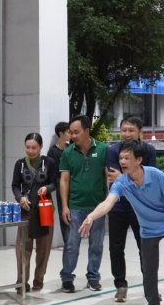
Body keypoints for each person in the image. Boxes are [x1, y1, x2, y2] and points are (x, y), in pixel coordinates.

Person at [80, 140, 164, 305]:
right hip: (148, 230)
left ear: (139, 159)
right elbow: (107, 203)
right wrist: (91, 217)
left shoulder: (156, 175)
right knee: (149, 270)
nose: (122, 162)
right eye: (121, 158)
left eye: (127, 158)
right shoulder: (122, 183)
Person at [105, 117, 157, 302]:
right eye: (123, 130)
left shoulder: (149, 150)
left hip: (140, 206)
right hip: (118, 205)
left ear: (140, 131)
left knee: (145, 246)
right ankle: (120, 285)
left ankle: (150, 287)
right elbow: (113, 177)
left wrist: (125, 177)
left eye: (131, 130)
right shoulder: (113, 150)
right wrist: (131, 177)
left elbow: (148, 178)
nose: (126, 134)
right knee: (115, 247)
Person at [59, 115, 109, 293]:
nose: (72, 136)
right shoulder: (68, 152)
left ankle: (93, 277)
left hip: (97, 207)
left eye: (76, 132)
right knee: (72, 244)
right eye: (71, 132)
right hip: (76, 206)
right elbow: (64, 180)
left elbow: (107, 176)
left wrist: (108, 202)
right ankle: (67, 277)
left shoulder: (103, 149)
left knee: (96, 244)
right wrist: (65, 206)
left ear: (87, 131)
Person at [11, 133, 58, 291]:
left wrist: (47, 188)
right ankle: (22, 282)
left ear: (41, 147)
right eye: (28, 147)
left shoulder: (49, 162)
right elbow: (15, 186)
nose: (30, 151)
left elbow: (55, 182)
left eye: (34, 148)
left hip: (45, 210)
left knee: (43, 249)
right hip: (26, 211)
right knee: (23, 248)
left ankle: (39, 280)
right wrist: (20, 198)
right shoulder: (20, 164)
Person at [47, 121, 72, 243]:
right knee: (65, 216)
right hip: (62, 188)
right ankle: (68, 243)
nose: (70, 134)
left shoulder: (72, 149)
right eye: (68, 131)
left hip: (75, 188)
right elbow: (53, 173)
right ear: (61, 133)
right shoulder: (53, 152)